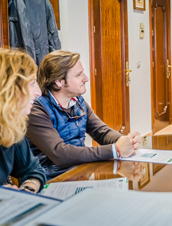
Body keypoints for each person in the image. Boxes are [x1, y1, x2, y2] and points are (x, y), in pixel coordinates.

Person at [26, 50, 141, 179]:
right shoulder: (36, 110)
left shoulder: (78, 101)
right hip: (52, 179)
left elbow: (101, 132)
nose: (86, 78)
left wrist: (126, 141)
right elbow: (59, 153)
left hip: (81, 171)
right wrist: (115, 150)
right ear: (59, 82)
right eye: (79, 75)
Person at [0, 48, 46, 193]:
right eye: (31, 83)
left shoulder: (9, 124)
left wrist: (27, 190)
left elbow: (33, 170)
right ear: (8, 88)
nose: (38, 92)